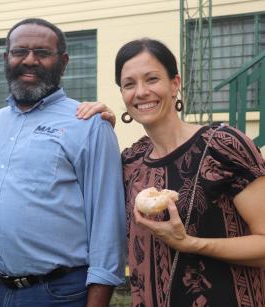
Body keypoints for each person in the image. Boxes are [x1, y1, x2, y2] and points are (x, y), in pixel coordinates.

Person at [0, 18, 126, 307]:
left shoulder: (89, 125)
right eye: (20, 52)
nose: (29, 60)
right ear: (6, 58)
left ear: (63, 62)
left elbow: (107, 224)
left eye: (42, 52)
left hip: (59, 294)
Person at [94, 38, 265, 307]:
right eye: (129, 84)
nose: (140, 92)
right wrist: (97, 128)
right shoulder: (130, 162)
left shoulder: (223, 145)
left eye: (152, 79)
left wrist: (190, 243)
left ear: (175, 83)